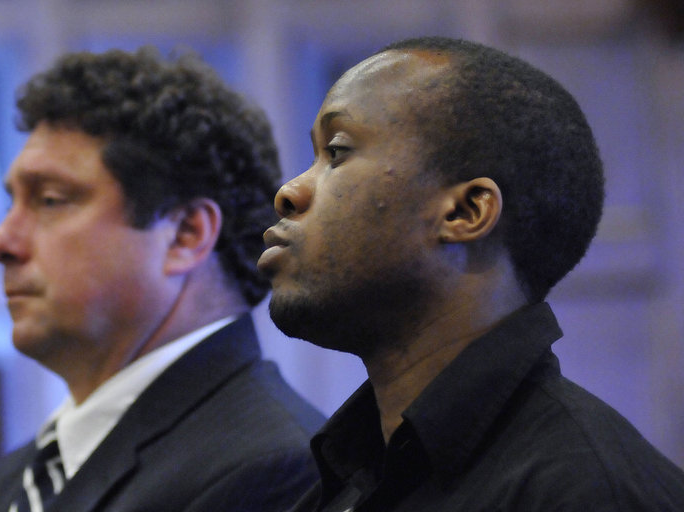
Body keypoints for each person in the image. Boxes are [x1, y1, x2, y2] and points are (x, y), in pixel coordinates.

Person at [258, 36, 684, 511]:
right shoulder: (348, 477)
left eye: (336, 152)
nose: (289, 192)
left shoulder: (586, 490)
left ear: (464, 212)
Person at [0, 46, 324, 512]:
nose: (1, 242)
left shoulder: (276, 469)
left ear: (185, 234)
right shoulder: (7, 483)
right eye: (12, 202)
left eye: (51, 200)